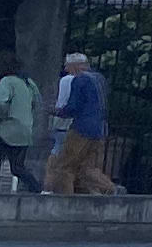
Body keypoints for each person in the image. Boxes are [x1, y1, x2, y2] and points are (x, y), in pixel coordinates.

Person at [46, 51, 117, 194]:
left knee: (64, 166)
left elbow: (73, 107)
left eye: (68, 66)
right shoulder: (100, 78)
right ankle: (110, 188)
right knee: (86, 168)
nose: (66, 70)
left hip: (81, 129)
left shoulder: (79, 80)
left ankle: (66, 200)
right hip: (100, 129)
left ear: (76, 65)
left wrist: (56, 111)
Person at [0, 63, 44, 194]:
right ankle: (36, 188)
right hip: (25, 130)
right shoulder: (29, 83)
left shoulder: (7, 81)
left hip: (6, 128)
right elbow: (37, 103)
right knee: (17, 167)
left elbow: (0, 103)